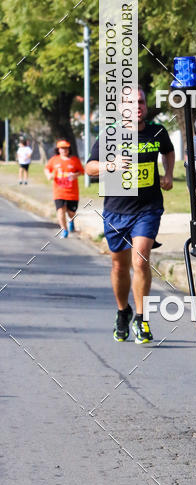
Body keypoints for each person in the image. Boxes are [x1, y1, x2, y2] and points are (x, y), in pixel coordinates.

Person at [85, 88, 175, 344]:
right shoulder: (110, 135)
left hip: (148, 208)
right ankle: (123, 311)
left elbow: (168, 151)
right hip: (116, 211)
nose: (138, 106)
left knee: (140, 261)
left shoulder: (157, 132)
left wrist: (168, 174)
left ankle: (142, 318)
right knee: (119, 266)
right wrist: (110, 165)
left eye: (141, 102)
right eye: (131, 103)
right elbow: (90, 167)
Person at [45, 140, 85, 238]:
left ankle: (71, 221)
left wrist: (75, 175)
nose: (64, 150)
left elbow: (81, 171)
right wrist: (49, 175)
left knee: (71, 212)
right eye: (62, 148)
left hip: (72, 192)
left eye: (66, 148)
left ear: (69, 149)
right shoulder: (54, 160)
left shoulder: (74, 160)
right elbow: (47, 168)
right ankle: (64, 229)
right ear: (58, 149)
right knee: (60, 211)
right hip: (59, 191)